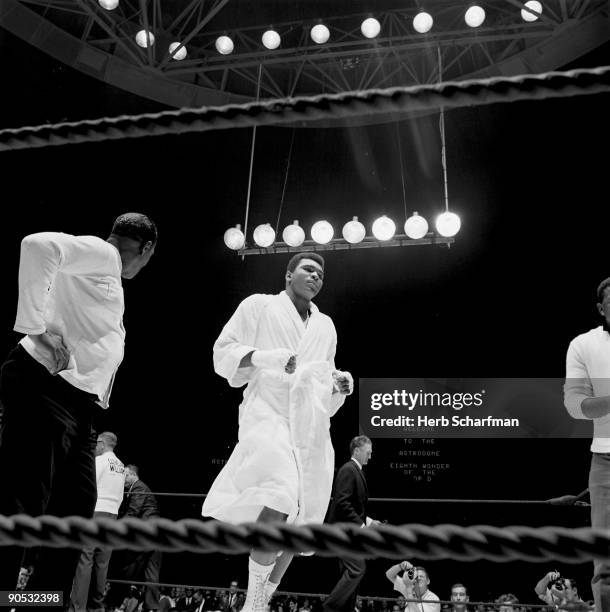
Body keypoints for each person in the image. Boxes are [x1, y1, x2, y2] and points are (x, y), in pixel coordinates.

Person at [0, 213, 157, 598]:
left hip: (78, 407)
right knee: (23, 502)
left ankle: (35, 602)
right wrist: (35, 329)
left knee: (73, 517)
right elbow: (36, 244)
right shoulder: (105, 254)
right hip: (45, 388)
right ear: (147, 249)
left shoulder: (104, 271)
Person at [202, 252, 353, 612]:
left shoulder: (326, 325)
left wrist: (339, 384)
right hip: (267, 413)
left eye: (320, 274)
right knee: (281, 495)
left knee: (301, 521)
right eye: (308, 270)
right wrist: (265, 357)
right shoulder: (259, 306)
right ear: (288, 274)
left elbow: (323, 374)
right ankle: (253, 602)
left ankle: (261, 601)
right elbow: (223, 352)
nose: (316, 277)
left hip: (311, 427)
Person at [564, 277, 610, 612]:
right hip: (605, 459)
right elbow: (575, 404)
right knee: (605, 560)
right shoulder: (583, 344)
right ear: (601, 308)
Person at [70, 431, 125, 612]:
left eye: (96, 444)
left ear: (101, 443)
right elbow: (120, 497)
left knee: (85, 559)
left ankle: (78, 607)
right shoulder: (121, 466)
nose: (94, 448)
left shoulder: (99, 461)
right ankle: (96, 607)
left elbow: (89, 488)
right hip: (112, 515)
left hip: (96, 511)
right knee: (102, 563)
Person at [323, 436, 378, 612]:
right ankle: (328, 608)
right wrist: (362, 526)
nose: (370, 456)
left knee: (348, 574)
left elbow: (353, 505)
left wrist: (368, 521)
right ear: (357, 451)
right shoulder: (349, 470)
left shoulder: (356, 470)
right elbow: (342, 503)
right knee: (357, 568)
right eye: (368, 452)